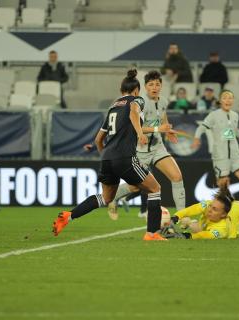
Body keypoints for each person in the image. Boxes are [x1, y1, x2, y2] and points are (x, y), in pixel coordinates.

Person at [52, 69, 167, 241]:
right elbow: (133, 113)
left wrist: (106, 156)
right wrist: (140, 133)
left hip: (107, 158)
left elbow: (99, 139)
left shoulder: (113, 107)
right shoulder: (137, 100)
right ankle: (152, 233)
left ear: (121, 92)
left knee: (106, 198)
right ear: (136, 90)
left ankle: (68, 216)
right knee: (155, 188)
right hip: (124, 157)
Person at [107, 70, 185, 220]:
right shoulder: (140, 103)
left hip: (158, 148)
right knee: (136, 187)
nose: (154, 87)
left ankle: (182, 218)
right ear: (145, 87)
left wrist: (166, 129)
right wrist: (154, 130)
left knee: (177, 177)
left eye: (157, 84)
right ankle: (114, 197)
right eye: (151, 84)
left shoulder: (163, 101)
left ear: (161, 86)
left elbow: (162, 117)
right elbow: (133, 123)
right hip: (140, 152)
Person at [192, 90, 239, 203]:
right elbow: (201, 127)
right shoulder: (214, 115)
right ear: (220, 101)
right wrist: (197, 138)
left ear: (233, 100)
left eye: (230, 98)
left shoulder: (235, 115)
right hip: (220, 157)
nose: (228, 100)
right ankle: (218, 212)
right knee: (224, 190)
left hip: (235, 155)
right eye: (225, 98)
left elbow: (234, 131)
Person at [162, 186, 239, 240]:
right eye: (211, 206)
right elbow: (192, 209)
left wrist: (183, 236)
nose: (210, 210)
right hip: (210, 222)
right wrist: (175, 217)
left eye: (214, 209)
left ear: (223, 215)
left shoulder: (222, 230)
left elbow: (204, 236)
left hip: (231, 221)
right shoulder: (209, 205)